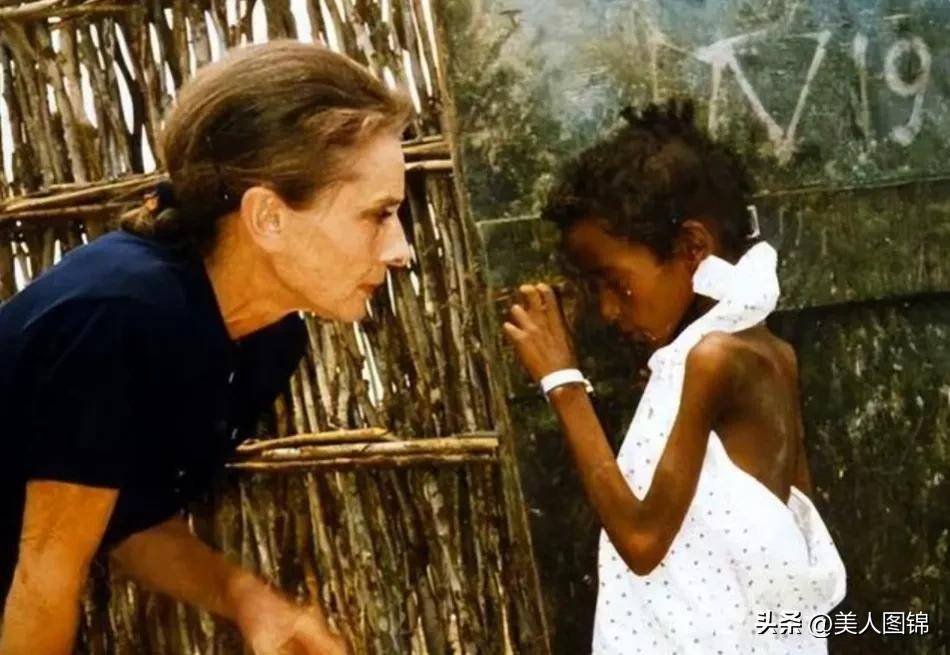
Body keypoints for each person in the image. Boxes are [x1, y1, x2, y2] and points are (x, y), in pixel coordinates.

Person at [0, 40, 412, 655]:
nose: (399, 249)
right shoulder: (116, 320)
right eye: (377, 215)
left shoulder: (266, 339)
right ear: (268, 217)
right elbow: (43, 576)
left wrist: (249, 599)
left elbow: (122, 516)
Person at [503, 101, 846, 654]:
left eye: (616, 282)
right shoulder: (771, 351)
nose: (609, 312)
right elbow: (793, 533)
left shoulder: (710, 360)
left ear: (693, 249)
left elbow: (642, 542)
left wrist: (563, 383)